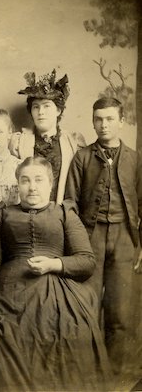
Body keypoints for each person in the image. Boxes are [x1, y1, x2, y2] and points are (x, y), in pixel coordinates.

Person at [0, 156, 112, 392]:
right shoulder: (1, 215)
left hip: (59, 290)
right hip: (10, 292)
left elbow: (87, 261)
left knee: (71, 331)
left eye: (38, 180)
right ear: (18, 185)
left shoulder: (64, 214)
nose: (32, 186)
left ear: (50, 184)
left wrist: (54, 264)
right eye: (25, 181)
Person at [65, 97, 142, 375]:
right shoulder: (82, 158)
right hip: (90, 238)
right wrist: (77, 243)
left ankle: (118, 377)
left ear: (121, 121)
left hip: (125, 239)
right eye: (98, 119)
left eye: (110, 119)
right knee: (86, 307)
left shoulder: (134, 158)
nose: (103, 124)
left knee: (121, 312)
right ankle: (87, 375)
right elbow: (70, 204)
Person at [10, 69, 86, 203]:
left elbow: (78, 185)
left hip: (61, 213)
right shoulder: (19, 142)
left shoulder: (73, 142)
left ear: (58, 110)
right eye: (36, 107)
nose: (41, 112)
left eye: (46, 106)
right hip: (27, 213)